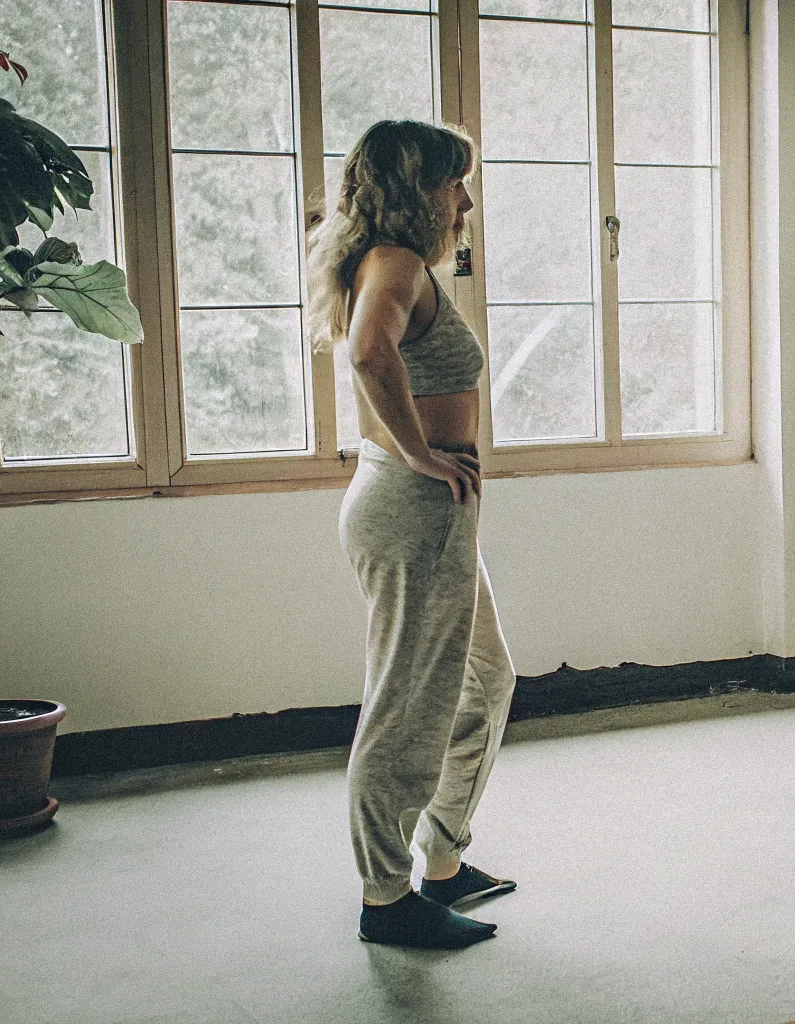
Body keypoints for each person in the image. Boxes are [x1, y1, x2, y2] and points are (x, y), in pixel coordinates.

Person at [308, 119, 519, 949]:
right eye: (452, 184)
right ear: (413, 190)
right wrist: (424, 456)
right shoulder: (394, 263)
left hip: (426, 510)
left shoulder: (393, 262)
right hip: (413, 509)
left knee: (487, 682)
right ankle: (384, 899)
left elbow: (378, 355)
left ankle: (441, 860)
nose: (464, 201)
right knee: (407, 709)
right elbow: (370, 355)